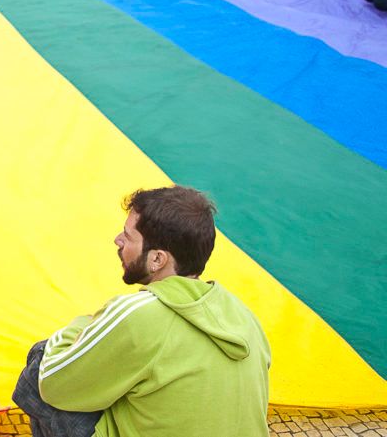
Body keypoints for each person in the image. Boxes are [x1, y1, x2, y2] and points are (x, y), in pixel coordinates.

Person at [13, 186, 270, 437]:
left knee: (43, 359)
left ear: (158, 259)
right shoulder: (245, 316)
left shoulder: (140, 315)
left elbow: (52, 385)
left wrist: (87, 324)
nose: (118, 240)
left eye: (128, 236)